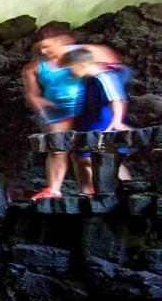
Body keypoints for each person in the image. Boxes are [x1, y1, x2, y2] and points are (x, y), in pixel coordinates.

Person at [24, 24, 121, 199]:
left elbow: (111, 68)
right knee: (57, 148)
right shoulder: (33, 67)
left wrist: (116, 114)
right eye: (39, 49)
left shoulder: (80, 53)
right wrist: (43, 108)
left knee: (88, 153)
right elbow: (32, 95)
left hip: (86, 109)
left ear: (63, 41)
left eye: (48, 46)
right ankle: (54, 189)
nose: (44, 52)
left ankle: (96, 189)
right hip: (57, 112)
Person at [65, 48, 131, 195]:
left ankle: (128, 191)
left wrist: (117, 121)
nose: (70, 72)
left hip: (105, 124)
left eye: (71, 68)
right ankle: (86, 192)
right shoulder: (90, 80)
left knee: (111, 160)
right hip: (90, 124)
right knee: (79, 157)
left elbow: (117, 99)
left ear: (81, 65)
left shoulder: (105, 77)